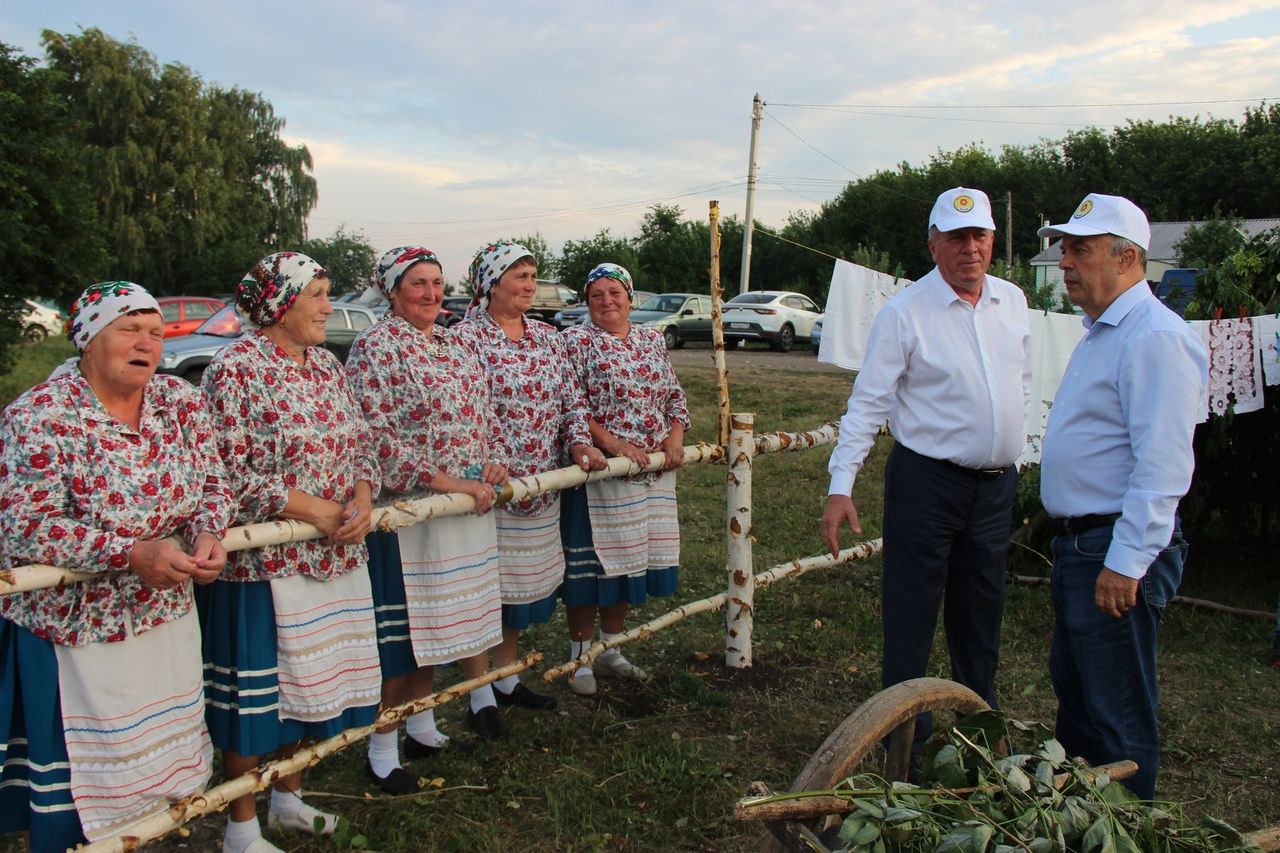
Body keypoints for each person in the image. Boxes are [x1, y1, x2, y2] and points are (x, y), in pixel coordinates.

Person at [0, 282, 231, 852]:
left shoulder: (180, 402)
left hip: (165, 620)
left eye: (155, 333)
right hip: (76, 635)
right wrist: (127, 554)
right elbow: (23, 522)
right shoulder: (40, 415)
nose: (145, 344)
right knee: (78, 794)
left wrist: (209, 531)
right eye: (128, 329)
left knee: (154, 783)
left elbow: (213, 481)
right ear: (87, 339)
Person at [821, 187, 1031, 754]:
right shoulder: (905, 313)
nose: (970, 249)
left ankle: (976, 739)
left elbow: (1021, 384)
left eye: (979, 236)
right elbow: (867, 404)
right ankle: (904, 747)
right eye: (956, 238)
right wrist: (841, 487)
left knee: (981, 615)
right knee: (912, 615)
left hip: (994, 489)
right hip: (927, 483)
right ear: (933, 244)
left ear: (993, 240)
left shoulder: (1012, 302)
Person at [200, 252, 382, 853]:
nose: (330, 308)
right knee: (260, 697)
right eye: (320, 295)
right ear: (280, 303)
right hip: (268, 564)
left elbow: (361, 443)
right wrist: (316, 511)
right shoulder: (237, 369)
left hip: (334, 555)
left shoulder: (326, 366)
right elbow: (225, 472)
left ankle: (289, 800)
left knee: (313, 688)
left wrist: (359, 498)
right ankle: (241, 827)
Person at [1038, 193, 1208, 800]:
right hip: (1084, 545)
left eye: (1080, 250)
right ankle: (1086, 826)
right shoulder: (1105, 332)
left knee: (1118, 718)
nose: (1064, 262)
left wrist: (1125, 561)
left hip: (1112, 546)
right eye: (1065, 249)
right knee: (1081, 705)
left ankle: (1129, 829)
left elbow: (1163, 467)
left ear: (1128, 257)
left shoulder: (1155, 338)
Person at [346, 246, 509, 794]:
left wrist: (490, 459)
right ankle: (382, 747)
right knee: (408, 634)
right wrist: (452, 483)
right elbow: (373, 441)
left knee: (443, 626)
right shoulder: (376, 348)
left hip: (462, 511)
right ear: (393, 290)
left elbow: (483, 415)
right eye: (418, 283)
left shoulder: (453, 343)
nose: (432, 294)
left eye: (438, 283)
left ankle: (421, 724)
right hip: (411, 515)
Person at [454, 241, 606, 712]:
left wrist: (579, 440)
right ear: (489, 285)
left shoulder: (548, 337)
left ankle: (505, 677)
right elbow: (467, 411)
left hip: (543, 484)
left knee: (516, 592)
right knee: (484, 590)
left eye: (531, 274)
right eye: (518, 276)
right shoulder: (465, 338)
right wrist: (491, 461)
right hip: (493, 486)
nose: (528, 284)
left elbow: (571, 401)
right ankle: (479, 693)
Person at [560, 263, 689, 695]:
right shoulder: (575, 341)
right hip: (600, 472)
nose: (606, 301)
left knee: (628, 559)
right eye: (596, 294)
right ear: (587, 301)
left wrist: (675, 437)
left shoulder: (652, 340)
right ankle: (580, 658)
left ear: (630, 298)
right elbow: (573, 405)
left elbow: (674, 395)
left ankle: (611, 648)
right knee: (591, 567)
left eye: (614, 292)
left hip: (649, 473)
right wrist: (616, 446)